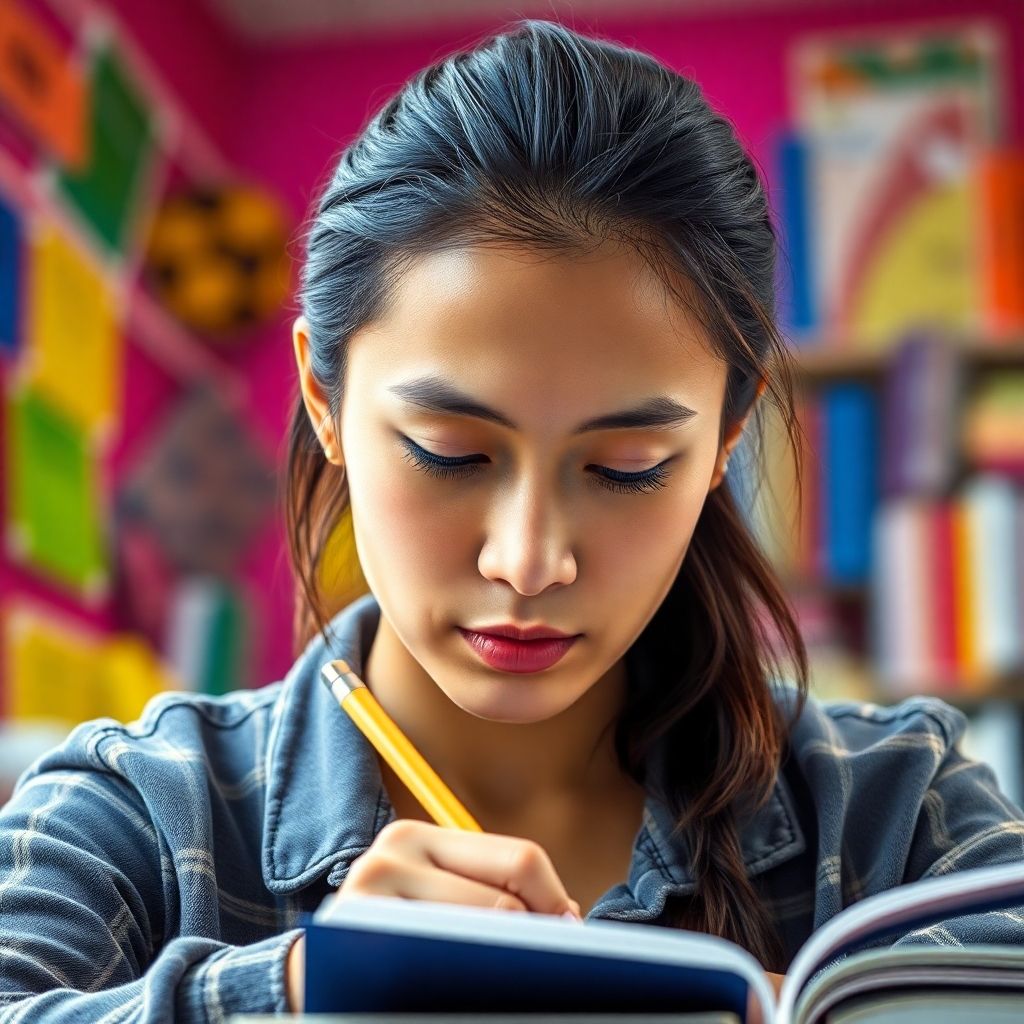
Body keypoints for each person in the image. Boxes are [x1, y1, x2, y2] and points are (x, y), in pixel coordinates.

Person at [2, 19, 1023, 1023]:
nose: (529, 560)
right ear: (324, 395)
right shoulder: (132, 811)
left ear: (726, 435)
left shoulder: (900, 812)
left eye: (627, 467)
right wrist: (302, 993)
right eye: (452, 454)